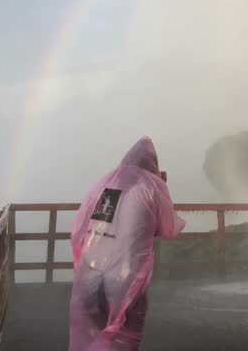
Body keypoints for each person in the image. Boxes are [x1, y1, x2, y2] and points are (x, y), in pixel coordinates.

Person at [69, 137, 186, 351]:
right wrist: (163, 188)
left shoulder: (105, 186)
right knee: (126, 338)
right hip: (126, 280)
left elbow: (78, 230)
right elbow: (169, 229)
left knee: (93, 335)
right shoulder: (150, 186)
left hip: (90, 276)